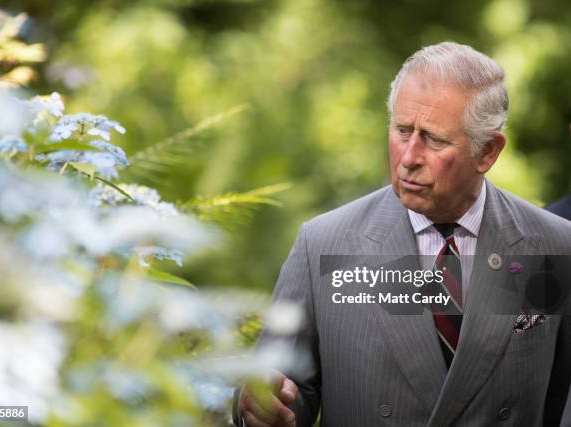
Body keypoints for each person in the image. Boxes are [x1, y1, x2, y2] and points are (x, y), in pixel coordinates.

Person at [234, 42, 571, 426]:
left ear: (488, 152)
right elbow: (276, 392)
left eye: (433, 139)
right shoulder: (324, 244)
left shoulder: (555, 245)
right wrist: (258, 409)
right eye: (402, 130)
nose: (408, 157)